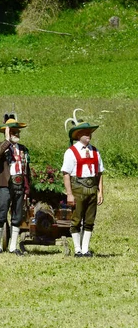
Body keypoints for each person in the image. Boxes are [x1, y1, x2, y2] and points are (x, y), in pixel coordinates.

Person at [61, 109, 104, 257]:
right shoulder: (71, 152)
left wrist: (100, 192)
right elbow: (66, 174)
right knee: (76, 219)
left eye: (90, 133)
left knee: (90, 220)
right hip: (78, 187)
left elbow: (99, 173)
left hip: (92, 188)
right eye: (86, 133)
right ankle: (77, 248)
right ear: (79, 135)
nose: (89, 136)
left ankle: (86, 249)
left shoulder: (95, 152)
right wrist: (69, 194)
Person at [0, 112, 31, 256]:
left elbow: (27, 170)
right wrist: (7, 141)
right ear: (7, 132)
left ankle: (13, 246)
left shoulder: (23, 149)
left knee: (17, 216)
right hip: (4, 186)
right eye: (14, 131)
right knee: (1, 214)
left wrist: (27, 189)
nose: (17, 134)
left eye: (17, 131)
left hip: (19, 185)